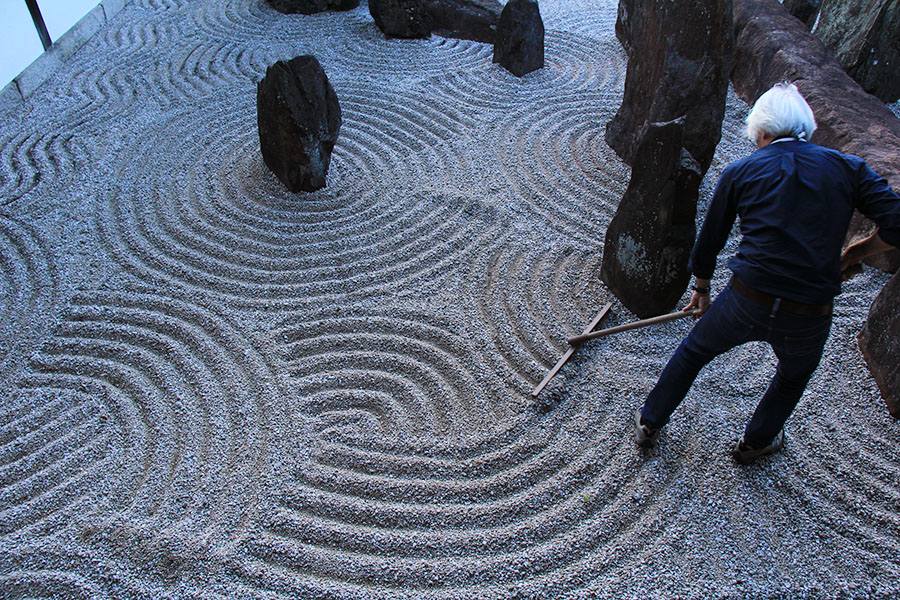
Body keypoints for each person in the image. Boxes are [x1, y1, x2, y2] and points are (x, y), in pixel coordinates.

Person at [633, 82, 900, 464]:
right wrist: (860, 251)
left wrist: (703, 288)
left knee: (694, 352)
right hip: (809, 310)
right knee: (792, 377)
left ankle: (649, 422)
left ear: (761, 132)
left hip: (747, 297)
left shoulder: (742, 170)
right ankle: (756, 442)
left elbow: (708, 240)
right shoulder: (848, 168)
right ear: (806, 130)